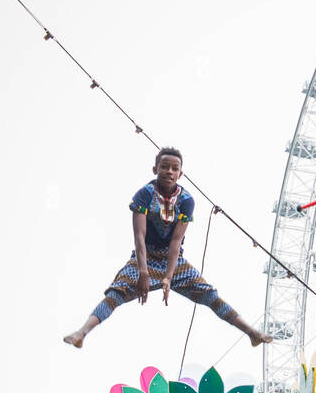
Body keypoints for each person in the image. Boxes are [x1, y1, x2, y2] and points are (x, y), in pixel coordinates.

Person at [63, 147, 271, 350]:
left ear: (180, 173)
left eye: (174, 168)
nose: (169, 172)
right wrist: (143, 271)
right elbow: (139, 235)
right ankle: (82, 332)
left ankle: (251, 332)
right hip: (145, 255)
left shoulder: (186, 200)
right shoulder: (144, 194)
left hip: (173, 259)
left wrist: (168, 278)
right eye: (164, 167)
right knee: (116, 293)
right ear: (155, 169)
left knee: (209, 295)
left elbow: (176, 241)